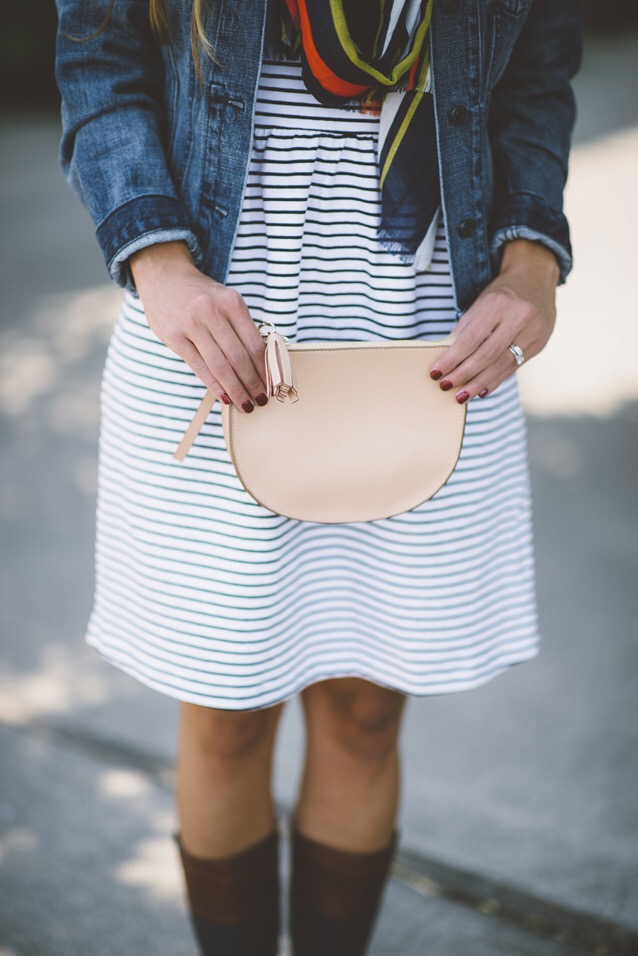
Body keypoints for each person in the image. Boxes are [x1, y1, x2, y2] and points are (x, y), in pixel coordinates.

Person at [54, 1, 583, 953]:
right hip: (221, 325)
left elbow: (538, 77)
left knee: (370, 709)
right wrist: (158, 260)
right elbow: (99, 57)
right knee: (226, 710)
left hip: (427, 325)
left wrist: (533, 253)